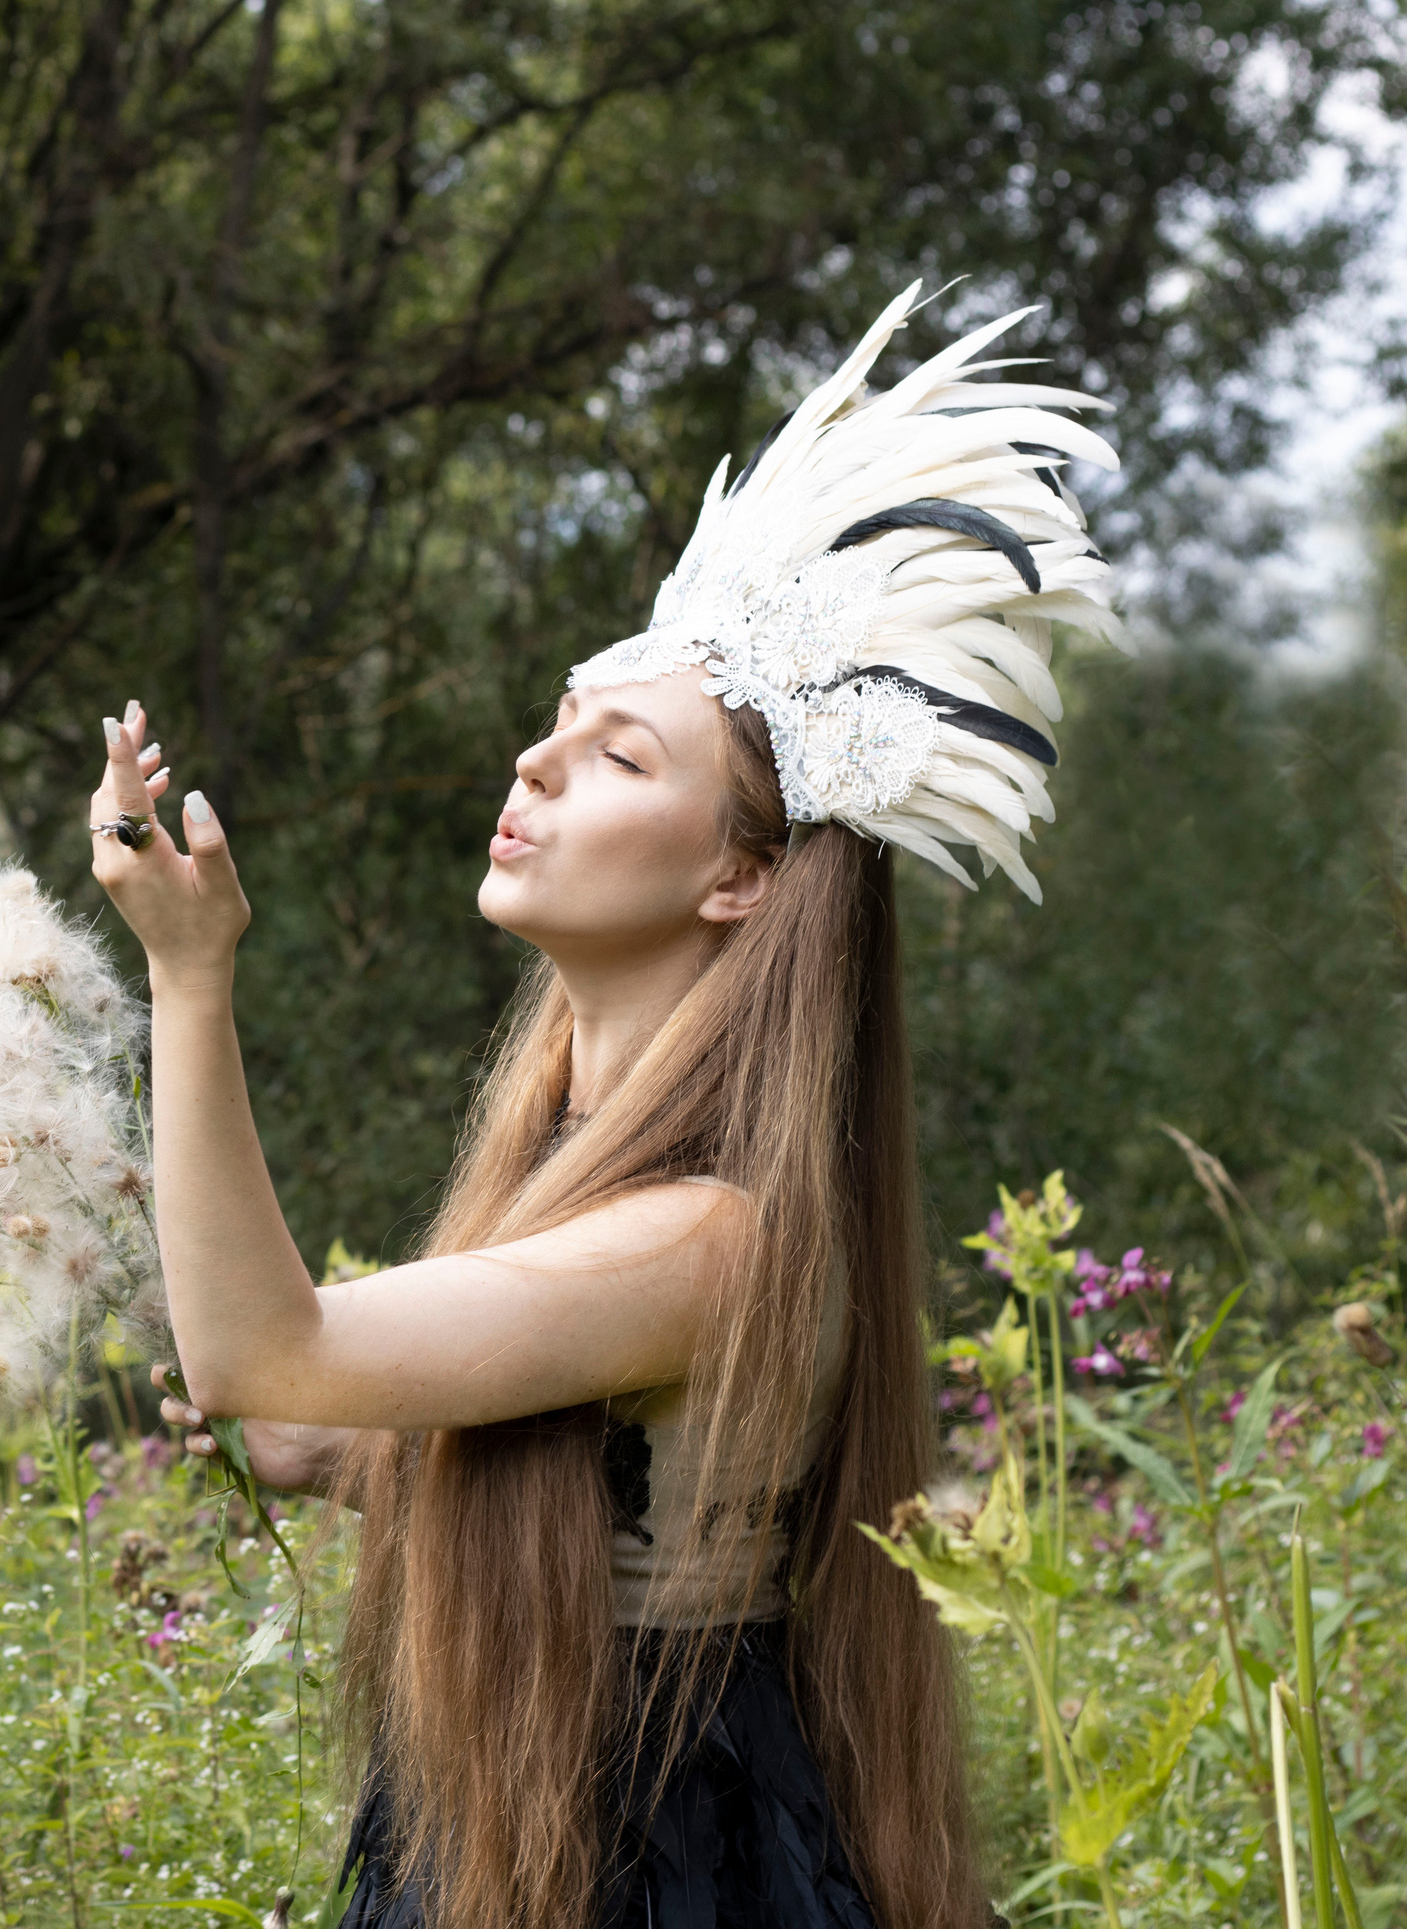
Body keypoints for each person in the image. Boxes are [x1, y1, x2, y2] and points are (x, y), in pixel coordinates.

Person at [85, 283, 1121, 1929]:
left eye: (622, 756)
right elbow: (290, 1425)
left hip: (651, 1865)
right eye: (557, 729)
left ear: (742, 874)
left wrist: (193, 985)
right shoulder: (572, 1179)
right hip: (507, 1836)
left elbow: (260, 1361)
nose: (538, 765)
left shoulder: (704, 1240)